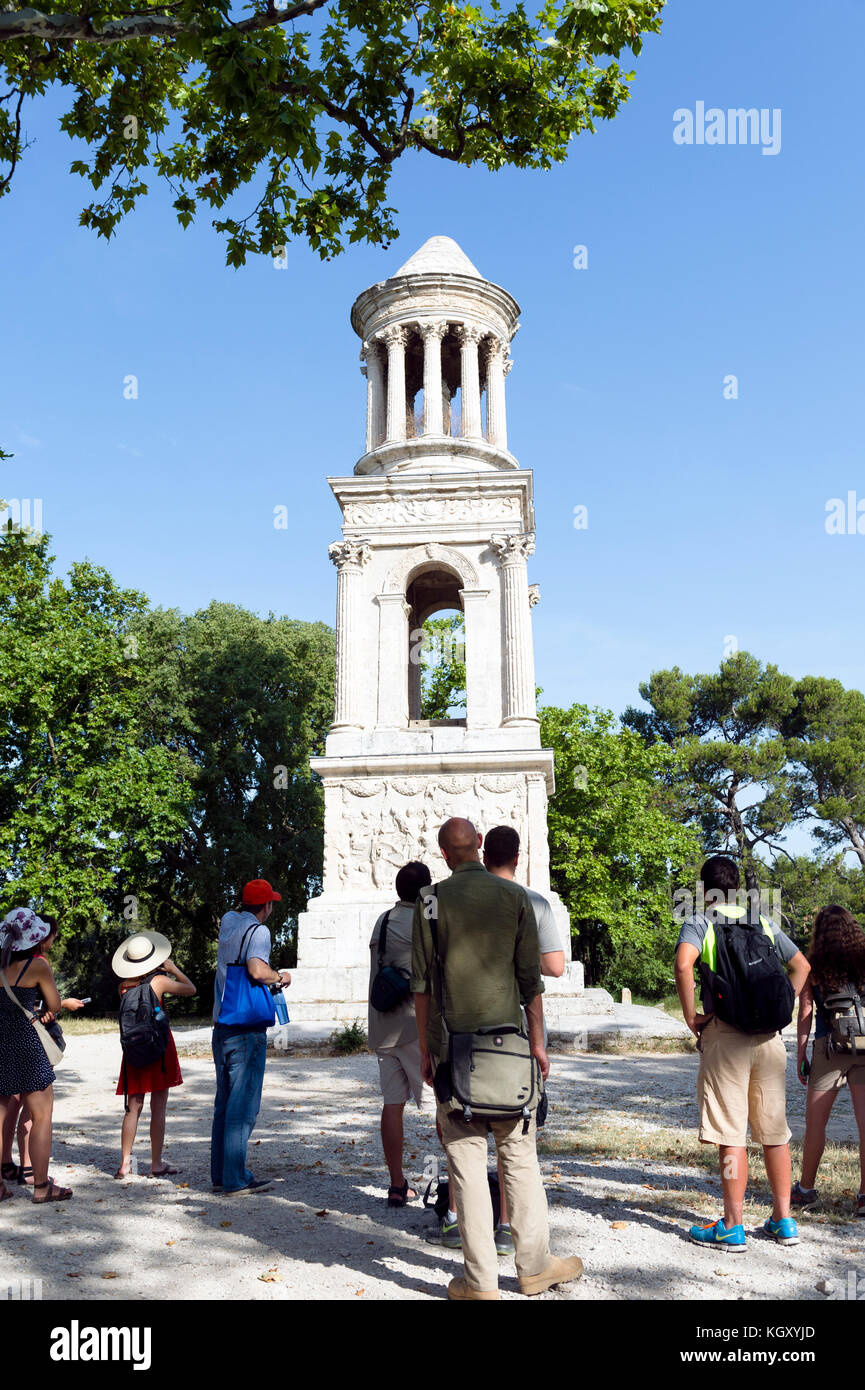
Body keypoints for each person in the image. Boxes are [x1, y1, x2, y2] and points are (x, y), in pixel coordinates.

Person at [412, 816, 584, 1300]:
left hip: (454, 1052)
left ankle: (481, 1282)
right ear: (481, 847)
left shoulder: (428, 902)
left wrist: (427, 1050)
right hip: (510, 1053)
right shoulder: (516, 898)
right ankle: (533, 1267)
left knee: (465, 1168)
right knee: (520, 1162)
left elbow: (421, 986)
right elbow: (531, 980)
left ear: (444, 854)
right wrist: (538, 1042)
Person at [674, 855, 810, 1251]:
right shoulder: (763, 921)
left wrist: (691, 1017)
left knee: (730, 1134)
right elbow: (801, 965)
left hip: (726, 1037)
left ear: (704, 890)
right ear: (738, 888)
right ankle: (784, 1221)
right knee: (775, 1133)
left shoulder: (701, 921)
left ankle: (732, 1225)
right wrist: (783, 1004)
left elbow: (684, 965)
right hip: (769, 1040)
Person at [211, 879, 290, 1195]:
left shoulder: (229, 923)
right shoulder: (260, 931)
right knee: (242, 1107)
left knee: (224, 1103)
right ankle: (236, 1178)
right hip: (246, 1029)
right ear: (267, 906)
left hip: (222, 1024)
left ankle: (220, 1174)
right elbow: (257, 970)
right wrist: (279, 977)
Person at [1, 915, 86, 1190]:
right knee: (41, 1116)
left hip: (2, 1042)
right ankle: (41, 1186)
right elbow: (53, 1004)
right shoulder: (36, 965)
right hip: (27, 1043)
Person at [792, 905, 865, 1217]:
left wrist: (802, 1053)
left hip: (829, 1046)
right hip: (864, 1044)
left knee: (816, 1125)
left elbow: (806, 1014)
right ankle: (864, 1197)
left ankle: (806, 1190)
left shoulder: (814, 965)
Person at [368, 861, 432, 1206]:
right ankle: (457, 1189)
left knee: (392, 1105)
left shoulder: (385, 919)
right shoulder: (424, 920)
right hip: (413, 1025)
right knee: (442, 1108)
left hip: (384, 1025)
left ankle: (396, 1184)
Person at [112, 931, 196, 1179]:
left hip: (134, 1047)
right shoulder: (159, 982)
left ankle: (125, 1164)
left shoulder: (123, 986)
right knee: (158, 1106)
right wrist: (173, 969)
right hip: (158, 1046)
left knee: (132, 1107)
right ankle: (156, 1163)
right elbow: (191, 989)